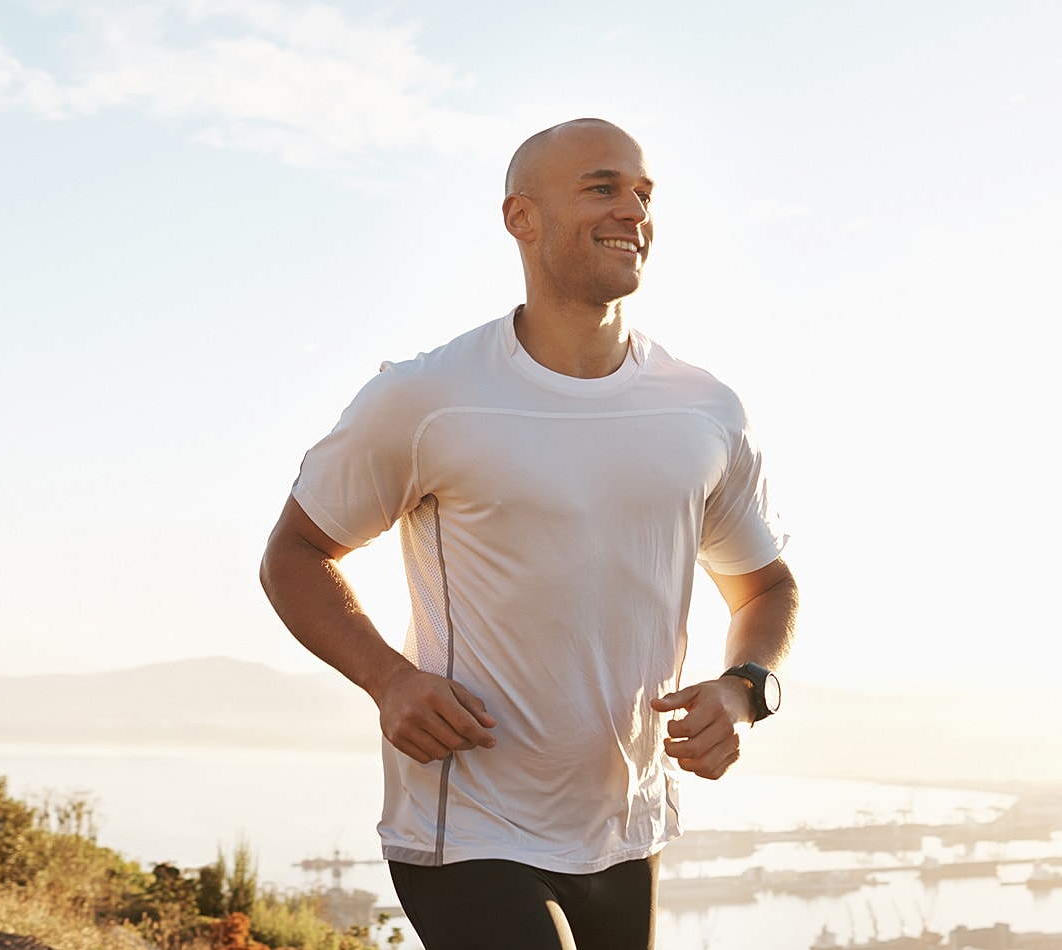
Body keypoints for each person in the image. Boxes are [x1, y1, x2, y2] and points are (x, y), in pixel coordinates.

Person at [259, 117, 797, 950]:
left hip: (625, 826)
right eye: (602, 188)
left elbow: (765, 587)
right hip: (467, 820)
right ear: (522, 217)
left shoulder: (704, 410)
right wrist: (390, 681)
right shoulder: (427, 396)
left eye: (645, 193)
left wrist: (744, 688)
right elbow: (295, 556)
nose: (633, 211)